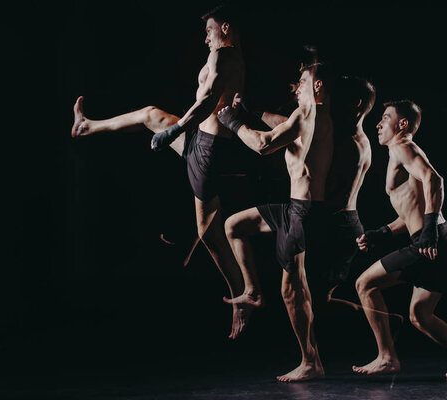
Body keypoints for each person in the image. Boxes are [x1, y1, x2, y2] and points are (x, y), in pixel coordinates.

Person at [71, 5, 261, 339]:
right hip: (201, 140)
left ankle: (242, 297)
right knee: (149, 115)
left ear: (225, 28)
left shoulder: (224, 56)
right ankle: (87, 127)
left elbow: (207, 103)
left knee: (208, 234)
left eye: (209, 30)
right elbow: (224, 100)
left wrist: (174, 132)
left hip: (208, 150)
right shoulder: (233, 59)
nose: (206, 37)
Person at [353, 100, 447, 380]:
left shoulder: (403, 147)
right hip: (444, 239)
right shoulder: (400, 152)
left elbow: (435, 179)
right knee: (420, 316)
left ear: (402, 125)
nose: (378, 124)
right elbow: (409, 213)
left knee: (364, 284)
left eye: (385, 118)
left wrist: (428, 231)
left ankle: (386, 357)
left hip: (432, 240)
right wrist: (381, 234)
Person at [217, 61, 334, 382]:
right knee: (234, 226)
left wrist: (232, 122)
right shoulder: (316, 117)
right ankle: (252, 291)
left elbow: (264, 144)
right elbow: (280, 123)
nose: (296, 85)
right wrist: (251, 112)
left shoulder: (309, 114)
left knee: (292, 291)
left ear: (318, 85)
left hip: (304, 211)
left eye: (303, 79)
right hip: (294, 206)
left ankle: (311, 362)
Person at [309, 76, 376, 310]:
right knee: (319, 300)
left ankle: (384, 323)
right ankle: (386, 322)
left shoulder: (349, 141)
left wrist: (258, 113)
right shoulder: (360, 139)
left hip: (337, 227)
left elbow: (298, 129)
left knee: (311, 300)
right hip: (345, 224)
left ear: (355, 103)